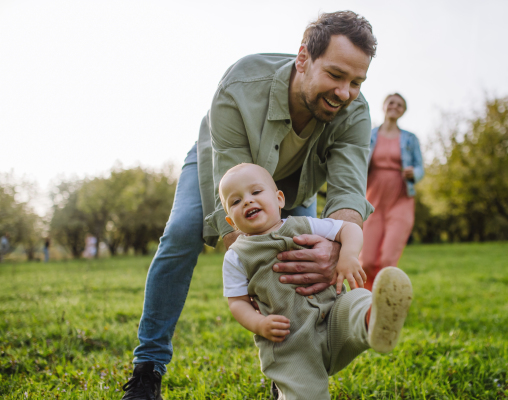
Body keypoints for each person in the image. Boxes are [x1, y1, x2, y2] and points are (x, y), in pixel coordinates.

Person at [122, 11, 378, 400]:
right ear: (304, 59)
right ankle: (147, 370)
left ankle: (290, 378)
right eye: (336, 75)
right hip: (225, 169)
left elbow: (346, 193)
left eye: (356, 82)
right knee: (180, 234)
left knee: (303, 267)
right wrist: (255, 277)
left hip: (293, 185)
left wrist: (337, 247)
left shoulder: (354, 113)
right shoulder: (240, 85)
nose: (345, 92)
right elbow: (236, 221)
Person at [220, 163, 412, 400]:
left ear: (279, 199)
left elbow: (349, 229)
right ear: (231, 222)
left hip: (333, 318)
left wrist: (348, 255)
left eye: (256, 192)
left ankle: (373, 318)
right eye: (236, 201)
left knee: (356, 299)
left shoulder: (303, 224)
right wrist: (259, 324)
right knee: (305, 395)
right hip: (290, 345)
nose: (247, 201)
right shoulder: (236, 256)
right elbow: (237, 302)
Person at [359, 93, 424, 291]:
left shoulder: (410, 139)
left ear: (403, 111)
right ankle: (365, 308)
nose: (395, 106)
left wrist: (414, 173)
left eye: (400, 104)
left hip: (401, 201)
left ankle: (385, 308)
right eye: (392, 102)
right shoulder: (368, 135)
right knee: (367, 262)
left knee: (387, 260)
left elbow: (421, 168)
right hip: (373, 201)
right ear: (384, 105)